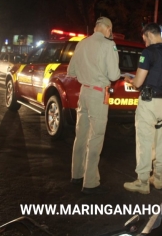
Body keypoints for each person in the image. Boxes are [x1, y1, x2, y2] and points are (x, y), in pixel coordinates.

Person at [123, 23, 162, 194]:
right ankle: (158, 178)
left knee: (144, 141)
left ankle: (142, 181)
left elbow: (138, 82)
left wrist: (130, 80)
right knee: (160, 140)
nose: (144, 43)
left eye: (144, 39)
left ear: (149, 35)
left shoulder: (148, 53)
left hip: (148, 103)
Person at [67, 17, 120, 195]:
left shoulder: (81, 43)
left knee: (80, 134)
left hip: (84, 92)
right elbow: (113, 75)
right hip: (98, 93)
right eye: (110, 30)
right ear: (108, 29)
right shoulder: (108, 45)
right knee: (96, 137)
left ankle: (76, 175)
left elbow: (71, 71)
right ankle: (90, 182)